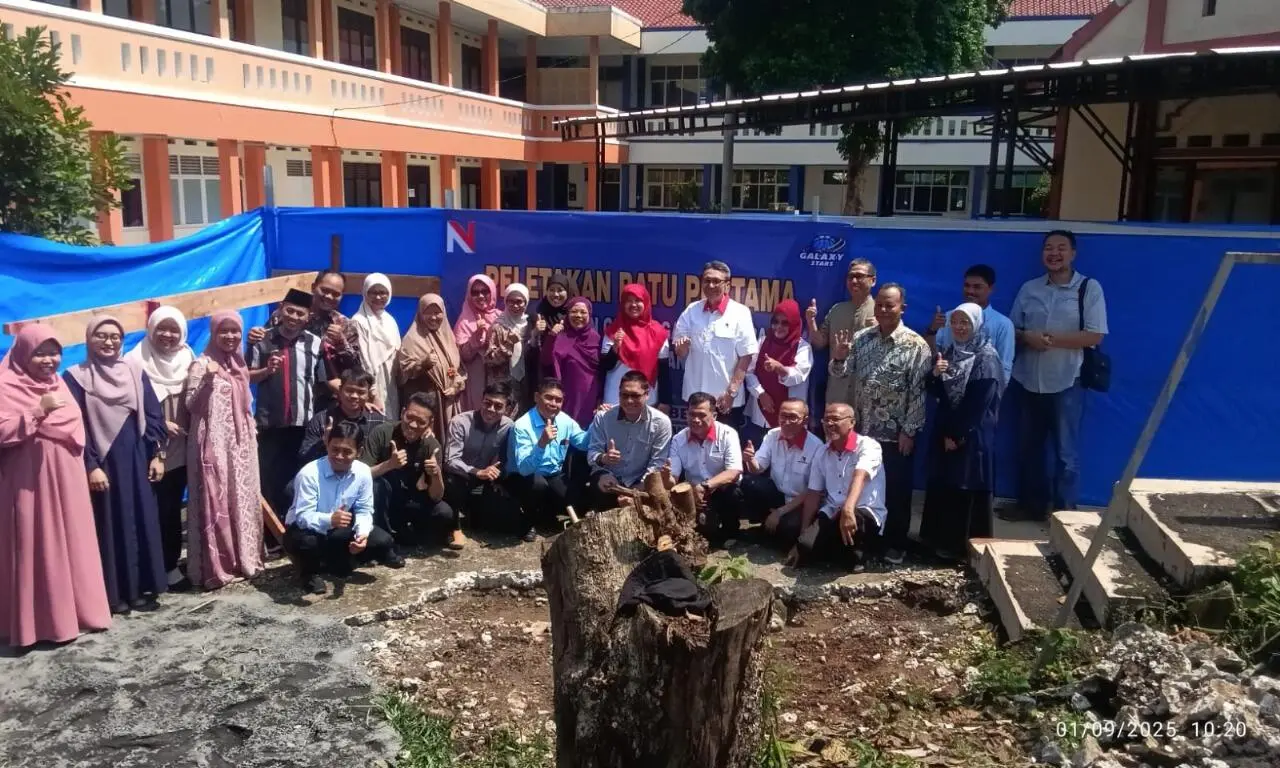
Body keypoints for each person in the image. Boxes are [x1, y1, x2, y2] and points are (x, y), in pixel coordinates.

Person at [0, 325, 111, 648]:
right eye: (40, 352)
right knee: (38, 542)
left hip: (67, 476)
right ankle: (39, 625)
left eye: (54, 352)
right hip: (29, 479)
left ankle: (80, 613)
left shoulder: (58, 382)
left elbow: (74, 425)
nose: (49, 360)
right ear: (23, 353)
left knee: (74, 541)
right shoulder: (5, 385)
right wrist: (37, 411)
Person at [64, 316, 168, 613]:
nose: (109, 342)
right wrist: (91, 465)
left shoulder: (135, 372)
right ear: (89, 339)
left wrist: (157, 455)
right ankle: (112, 595)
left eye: (115, 337)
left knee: (138, 522)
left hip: (136, 460)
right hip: (104, 465)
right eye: (102, 336)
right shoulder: (75, 377)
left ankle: (138, 590)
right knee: (109, 526)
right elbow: (76, 425)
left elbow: (154, 415)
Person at [828, 283, 931, 565]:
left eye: (890, 305)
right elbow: (841, 372)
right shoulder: (862, 338)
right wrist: (838, 357)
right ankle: (871, 541)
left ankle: (896, 543)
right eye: (881, 305)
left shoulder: (916, 345)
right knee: (867, 491)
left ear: (902, 308)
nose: (884, 310)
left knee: (897, 491)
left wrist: (909, 431)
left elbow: (918, 394)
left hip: (896, 435)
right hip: (864, 432)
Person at [1008, 230, 1108, 519]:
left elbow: (1095, 336)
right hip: (1028, 378)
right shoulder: (1030, 289)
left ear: (1073, 254)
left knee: (1066, 453)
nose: (1054, 253)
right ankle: (1031, 506)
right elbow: (1012, 329)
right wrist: (1028, 337)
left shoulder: (1088, 288)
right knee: (1028, 449)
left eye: (1061, 248)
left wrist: (1049, 340)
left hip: (1068, 380)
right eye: (1049, 248)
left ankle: (1066, 514)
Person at [183, 311, 263, 590]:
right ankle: (219, 564)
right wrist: (207, 380)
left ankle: (245, 558)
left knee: (240, 497)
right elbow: (192, 407)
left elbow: (244, 405)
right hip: (212, 444)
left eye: (235, 331)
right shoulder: (201, 364)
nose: (230, 337)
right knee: (216, 500)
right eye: (223, 331)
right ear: (213, 334)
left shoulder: (238, 365)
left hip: (240, 446)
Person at [920, 304, 1005, 562]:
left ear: (977, 324)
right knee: (943, 484)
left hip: (971, 436)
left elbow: (979, 402)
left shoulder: (986, 358)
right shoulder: (950, 352)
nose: (959, 327)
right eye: (955, 321)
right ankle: (936, 542)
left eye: (965, 322)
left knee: (965, 486)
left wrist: (956, 435)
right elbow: (936, 391)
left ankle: (961, 548)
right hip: (945, 430)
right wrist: (934, 374)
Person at [285, 421, 404, 595]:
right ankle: (309, 574)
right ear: (327, 445)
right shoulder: (309, 474)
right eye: (335, 449)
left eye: (347, 451)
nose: (339, 456)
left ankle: (335, 561)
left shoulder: (362, 472)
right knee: (307, 542)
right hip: (305, 529)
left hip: (338, 527)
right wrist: (329, 519)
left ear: (359, 452)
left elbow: (364, 509)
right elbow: (303, 517)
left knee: (382, 541)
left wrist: (362, 535)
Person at [125, 305, 195, 589]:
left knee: (170, 507)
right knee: (147, 508)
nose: (167, 335)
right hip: (148, 446)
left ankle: (169, 566)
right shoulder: (133, 361)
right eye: (161, 328)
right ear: (150, 329)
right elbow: (124, 405)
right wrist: (158, 423)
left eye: (174, 329)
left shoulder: (188, 356)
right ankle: (145, 570)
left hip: (182, 447)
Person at [248, 288, 327, 525]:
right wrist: (266, 371)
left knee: (297, 476)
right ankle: (271, 532)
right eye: (289, 311)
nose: (293, 317)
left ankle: (293, 525)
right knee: (267, 476)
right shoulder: (261, 340)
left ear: (308, 317)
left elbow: (321, 381)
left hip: (303, 424)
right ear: (281, 309)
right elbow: (246, 377)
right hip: (270, 421)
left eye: (299, 313)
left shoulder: (315, 343)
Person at [788, 403, 887, 573]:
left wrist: (848, 509)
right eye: (826, 420)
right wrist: (802, 537)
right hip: (833, 512)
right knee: (805, 548)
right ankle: (841, 550)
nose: (830, 424)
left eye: (836, 419)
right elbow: (813, 493)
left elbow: (860, 475)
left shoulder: (868, 446)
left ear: (852, 422)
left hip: (861, 512)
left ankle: (861, 553)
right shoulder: (822, 452)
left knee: (850, 552)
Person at [361, 392, 466, 550]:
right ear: (403, 412)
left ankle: (413, 533)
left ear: (430, 423)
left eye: (421, 422)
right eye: (410, 417)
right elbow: (360, 475)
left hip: (412, 501)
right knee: (377, 486)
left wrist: (435, 474)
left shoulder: (432, 445)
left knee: (444, 512)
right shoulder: (382, 433)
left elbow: (436, 496)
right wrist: (389, 464)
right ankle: (384, 536)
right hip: (384, 502)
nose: (413, 425)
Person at [248, 270, 362, 410]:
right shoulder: (284, 316)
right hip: (283, 401)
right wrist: (255, 335)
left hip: (329, 402)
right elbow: (264, 347)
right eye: (324, 290)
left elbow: (356, 366)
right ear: (314, 287)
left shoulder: (344, 325)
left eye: (336, 294)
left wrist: (341, 342)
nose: (329, 296)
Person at [672, 261, 758, 429]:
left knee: (723, 449)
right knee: (694, 446)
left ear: (727, 285)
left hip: (724, 400)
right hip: (694, 397)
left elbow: (746, 356)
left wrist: (731, 391)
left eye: (716, 281)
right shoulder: (691, 311)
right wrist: (681, 347)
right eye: (706, 280)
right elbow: (680, 352)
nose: (710, 285)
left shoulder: (740, 313)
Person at [508, 377, 590, 541]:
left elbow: (583, 443)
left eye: (558, 400)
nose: (554, 403)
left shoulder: (564, 420)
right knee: (538, 486)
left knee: (574, 499)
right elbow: (524, 468)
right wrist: (542, 443)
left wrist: (599, 421)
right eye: (549, 398)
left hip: (552, 474)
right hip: (523, 476)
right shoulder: (522, 425)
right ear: (537, 397)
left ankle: (545, 516)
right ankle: (528, 520)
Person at [740, 398, 824, 550]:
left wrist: (780, 512)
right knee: (748, 483)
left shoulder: (817, 447)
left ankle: (773, 528)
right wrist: (750, 459)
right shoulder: (773, 435)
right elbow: (757, 469)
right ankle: (766, 523)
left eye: (792, 417)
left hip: (799, 501)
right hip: (777, 495)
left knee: (789, 531)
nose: (786, 421)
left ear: (805, 420)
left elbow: (812, 490)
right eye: (783, 416)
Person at [585, 370, 673, 512]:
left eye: (635, 396)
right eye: (624, 395)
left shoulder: (661, 422)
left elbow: (657, 464)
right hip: (609, 478)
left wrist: (635, 492)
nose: (629, 401)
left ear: (647, 395)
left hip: (642, 483)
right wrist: (604, 459)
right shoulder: (603, 417)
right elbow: (592, 454)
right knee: (601, 490)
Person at [665, 392, 744, 545]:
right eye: (691, 414)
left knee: (733, 493)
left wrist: (704, 487)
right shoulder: (678, 439)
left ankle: (731, 532)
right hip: (693, 494)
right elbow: (673, 479)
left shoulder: (728, 434)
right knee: (707, 532)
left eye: (701, 415)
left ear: (714, 415)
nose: (695, 420)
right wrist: (665, 476)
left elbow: (734, 472)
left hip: (719, 490)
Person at [444, 383, 522, 535]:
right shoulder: (460, 422)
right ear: (481, 401)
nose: (491, 409)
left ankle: (475, 512)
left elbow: (508, 458)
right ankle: (454, 527)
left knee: (500, 516)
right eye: (487, 403)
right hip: (461, 475)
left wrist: (498, 476)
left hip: (486, 477)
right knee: (451, 483)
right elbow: (450, 461)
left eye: (498, 406)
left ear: (507, 409)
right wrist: (477, 472)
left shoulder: (508, 426)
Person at [807, 258, 878, 408]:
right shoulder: (837, 310)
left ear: (873, 280)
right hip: (837, 391)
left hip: (868, 395)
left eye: (859, 276)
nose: (854, 281)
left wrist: (880, 329)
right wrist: (810, 320)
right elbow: (819, 343)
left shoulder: (882, 312)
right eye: (850, 277)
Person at [925, 264, 1015, 381]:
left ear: (991, 289)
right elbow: (931, 356)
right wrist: (932, 330)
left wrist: (992, 395)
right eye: (967, 286)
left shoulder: (1003, 324)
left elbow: (1004, 367)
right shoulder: (947, 317)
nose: (970, 291)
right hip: (947, 389)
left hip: (982, 391)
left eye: (977, 287)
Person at [743, 299, 812, 447]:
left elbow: (799, 375)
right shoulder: (763, 342)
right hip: (760, 415)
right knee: (758, 461)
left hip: (790, 420)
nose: (778, 327)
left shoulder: (802, 347)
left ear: (793, 323)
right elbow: (748, 372)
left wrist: (779, 368)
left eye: (785, 323)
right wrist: (761, 394)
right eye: (775, 321)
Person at [397, 293, 466, 442]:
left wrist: (456, 385)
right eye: (428, 312)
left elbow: (457, 369)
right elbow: (403, 373)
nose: (434, 317)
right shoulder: (412, 339)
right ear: (420, 314)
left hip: (448, 403)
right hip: (426, 403)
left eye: (437, 312)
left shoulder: (449, 336)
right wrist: (423, 364)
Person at [601, 283, 671, 410]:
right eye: (629, 301)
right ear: (622, 305)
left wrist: (665, 402)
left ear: (646, 303)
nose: (633, 305)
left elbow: (664, 372)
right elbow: (605, 366)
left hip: (647, 401)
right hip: (614, 400)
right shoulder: (613, 331)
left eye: (638, 300)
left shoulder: (658, 333)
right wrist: (615, 347)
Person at [298, 369, 386, 465]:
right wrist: (324, 442)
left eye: (361, 392)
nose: (354, 396)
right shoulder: (321, 419)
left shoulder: (378, 421)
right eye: (349, 390)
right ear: (340, 390)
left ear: (368, 394)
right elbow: (303, 456)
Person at [543, 296, 602, 429]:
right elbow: (546, 361)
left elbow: (601, 370)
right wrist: (551, 337)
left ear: (589, 315)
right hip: (564, 394)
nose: (578, 315)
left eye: (583, 312)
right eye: (574, 312)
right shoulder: (559, 336)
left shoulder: (596, 338)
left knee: (585, 433)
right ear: (567, 314)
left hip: (589, 395)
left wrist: (600, 398)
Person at [352, 273, 401, 415]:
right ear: (365, 293)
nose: (378, 297)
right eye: (373, 292)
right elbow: (364, 359)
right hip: (372, 381)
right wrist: (373, 393)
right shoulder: (359, 321)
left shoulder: (390, 320)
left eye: (383, 292)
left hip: (390, 381)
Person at [455, 274, 500, 413]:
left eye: (485, 291)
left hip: (498, 378)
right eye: (475, 293)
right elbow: (463, 356)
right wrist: (476, 337)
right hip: (476, 381)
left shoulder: (501, 317)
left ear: (492, 292)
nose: (480, 296)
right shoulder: (464, 321)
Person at [527, 270, 574, 395]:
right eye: (552, 290)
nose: (556, 294)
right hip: (541, 373)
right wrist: (536, 332)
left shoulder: (573, 315)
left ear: (568, 292)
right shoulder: (537, 313)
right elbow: (529, 350)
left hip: (567, 371)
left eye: (560, 290)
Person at [486, 283, 531, 412]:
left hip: (527, 383)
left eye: (519, 302)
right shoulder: (498, 327)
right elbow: (490, 360)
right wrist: (508, 344)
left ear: (526, 303)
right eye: (510, 301)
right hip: (504, 386)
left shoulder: (531, 324)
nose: (515, 306)